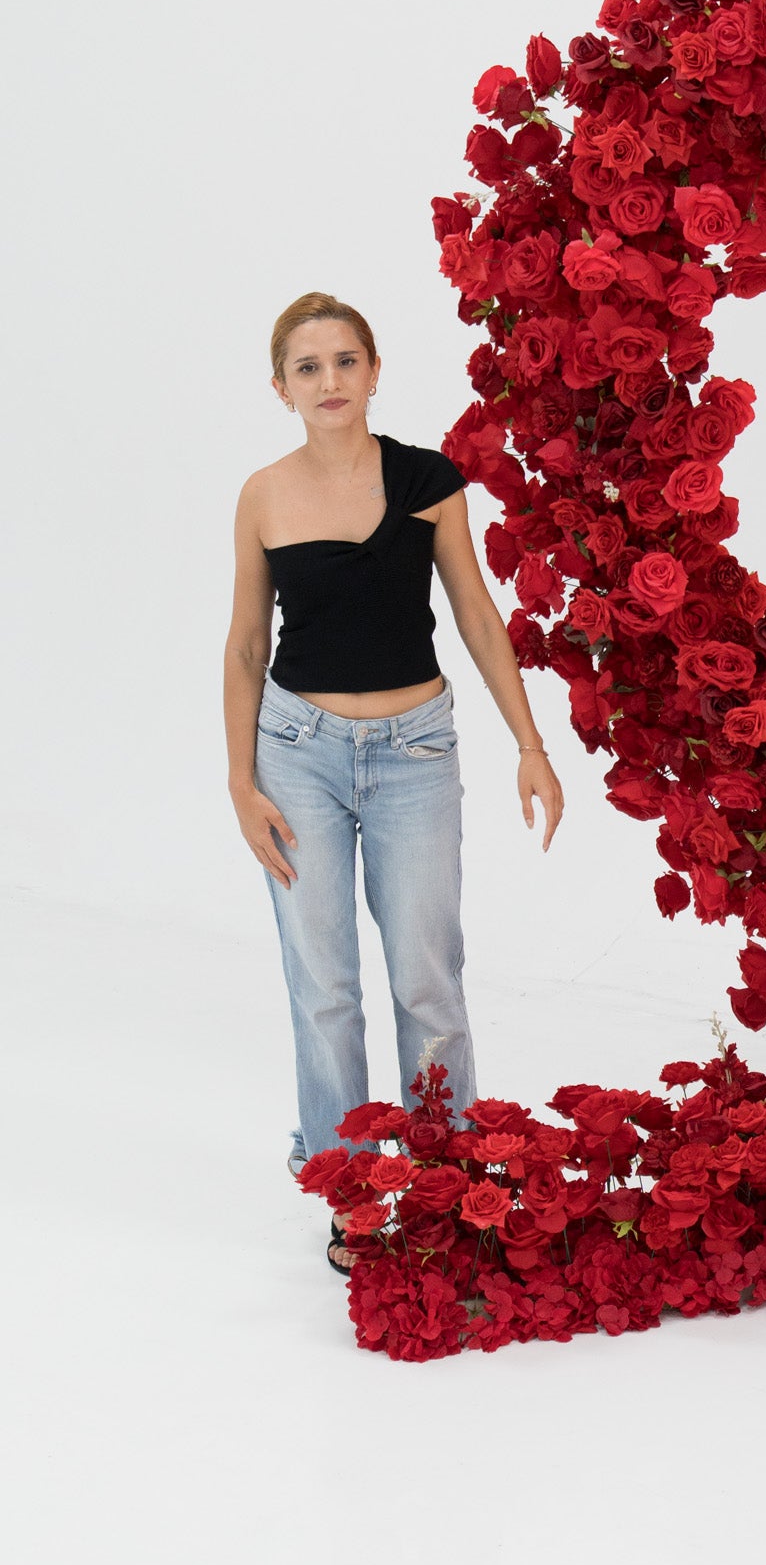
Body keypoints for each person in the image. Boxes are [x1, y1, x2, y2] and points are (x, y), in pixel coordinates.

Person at [223, 292, 564, 1272]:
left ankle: (450, 1170)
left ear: (374, 371)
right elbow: (247, 644)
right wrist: (242, 780)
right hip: (296, 750)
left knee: (426, 970)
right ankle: (352, 1183)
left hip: (416, 748)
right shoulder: (262, 494)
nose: (329, 380)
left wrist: (528, 743)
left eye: (344, 360)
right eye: (308, 366)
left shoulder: (429, 480)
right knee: (322, 980)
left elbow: (476, 614)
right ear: (281, 386)